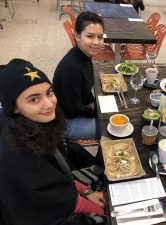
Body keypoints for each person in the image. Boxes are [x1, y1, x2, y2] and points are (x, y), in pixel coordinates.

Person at [0, 59, 107, 225]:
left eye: (49, 93)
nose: (49, 104)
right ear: (14, 107)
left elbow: (55, 173)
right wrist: (103, 211)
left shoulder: (33, 124)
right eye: (34, 100)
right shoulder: (19, 154)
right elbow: (52, 199)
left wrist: (85, 191)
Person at [53, 12, 104, 140]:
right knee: (112, 128)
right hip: (66, 122)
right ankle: (100, 159)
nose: (97, 42)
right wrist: (98, 113)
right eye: (90, 36)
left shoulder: (84, 55)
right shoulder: (71, 68)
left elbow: (85, 87)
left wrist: (93, 103)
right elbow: (74, 109)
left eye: (100, 37)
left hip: (76, 111)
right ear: (77, 36)